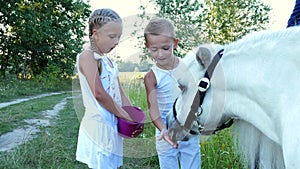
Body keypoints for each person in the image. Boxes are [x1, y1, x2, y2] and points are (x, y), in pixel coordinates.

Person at [75, 8, 142, 169]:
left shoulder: (109, 62)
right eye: (112, 36)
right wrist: (123, 114)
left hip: (112, 124)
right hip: (98, 127)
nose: (116, 41)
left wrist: (131, 114)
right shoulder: (88, 56)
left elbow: (120, 92)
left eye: (119, 37)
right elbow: (99, 93)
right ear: (95, 33)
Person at [143, 18, 201, 169]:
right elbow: (153, 109)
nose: (160, 54)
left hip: (189, 129)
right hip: (164, 133)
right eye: (154, 50)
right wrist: (163, 129)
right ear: (147, 46)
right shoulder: (151, 77)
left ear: (175, 43)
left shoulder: (188, 67)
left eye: (165, 48)